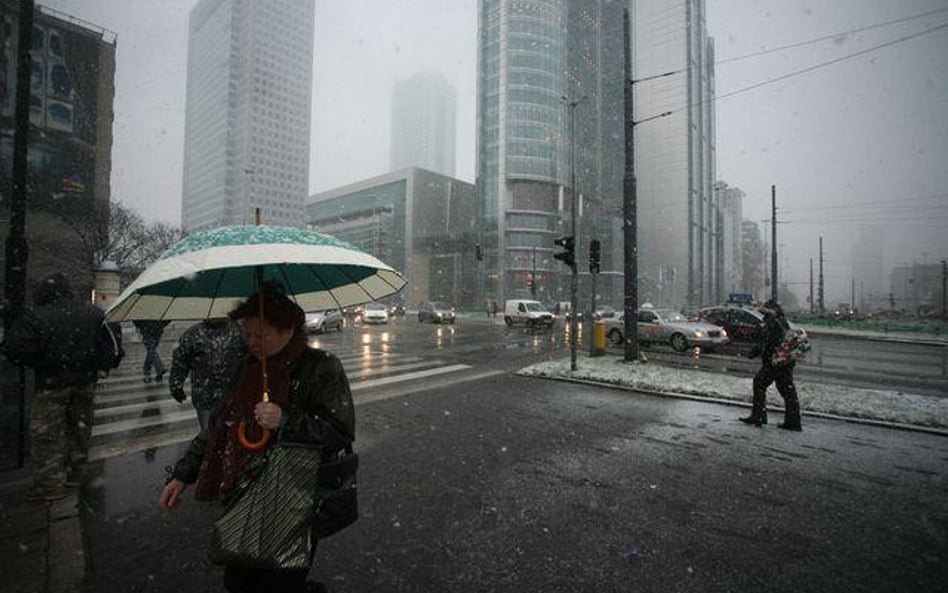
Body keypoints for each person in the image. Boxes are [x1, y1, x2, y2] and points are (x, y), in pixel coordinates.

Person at [159, 282, 355, 593]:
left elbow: (338, 432)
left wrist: (285, 420)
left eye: (260, 335)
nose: (250, 342)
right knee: (239, 581)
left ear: (288, 329)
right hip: (245, 492)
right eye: (246, 334)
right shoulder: (247, 367)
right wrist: (183, 475)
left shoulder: (321, 367)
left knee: (281, 581)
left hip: (295, 499)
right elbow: (219, 426)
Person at [2, 273, 109, 501]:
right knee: (80, 428)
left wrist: (42, 360)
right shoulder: (92, 314)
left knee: (47, 434)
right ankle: (76, 472)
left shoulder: (36, 316)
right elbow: (109, 348)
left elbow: (17, 350)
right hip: (85, 382)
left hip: (51, 383)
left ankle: (49, 483)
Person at [168, 318, 247, 430]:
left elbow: (253, 357)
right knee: (208, 434)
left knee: (233, 433)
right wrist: (176, 384)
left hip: (234, 396)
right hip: (205, 398)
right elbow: (180, 361)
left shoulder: (240, 332)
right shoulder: (192, 334)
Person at [740, 299, 802, 431]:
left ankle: (759, 416)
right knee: (787, 391)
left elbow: (769, 342)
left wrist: (757, 351)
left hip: (775, 362)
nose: (762, 312)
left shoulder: (774, 321)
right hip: (785, 362)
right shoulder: (781, 321)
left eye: (765, 309)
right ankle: (793, 421)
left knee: (759, 383)